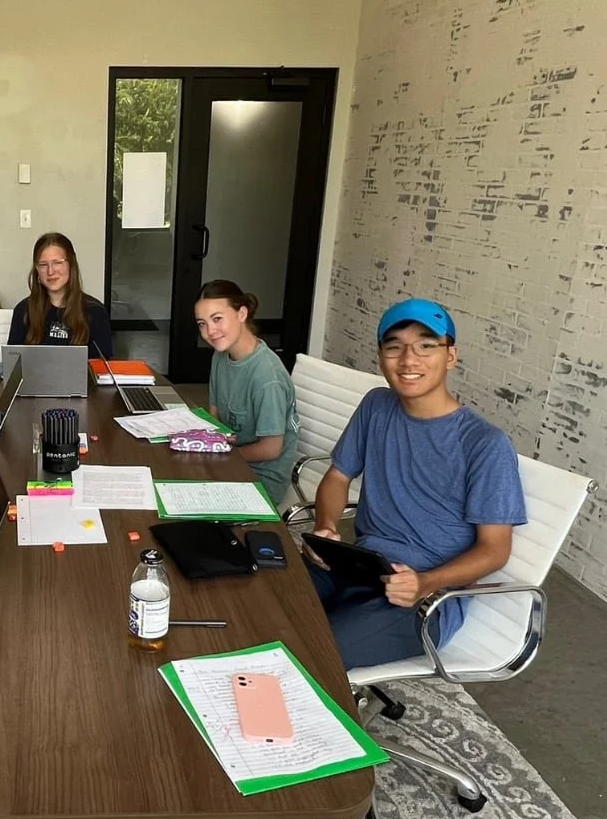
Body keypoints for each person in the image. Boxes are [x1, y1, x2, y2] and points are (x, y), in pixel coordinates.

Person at [306, 298, 527, 670]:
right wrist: (325, 528)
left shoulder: (485, 444)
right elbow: (337, 477)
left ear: (450, 356)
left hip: (427, 599)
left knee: (312, 654)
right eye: (394, 347)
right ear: (381, 357)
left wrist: (426, 581)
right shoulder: (376, 405)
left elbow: (494, 550)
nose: (409, 360)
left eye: (426, 345)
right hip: (360, 565)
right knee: (261, 604)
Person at [194, 280, 300, 505]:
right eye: (202, 323)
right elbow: (215, 416)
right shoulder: (221, 354)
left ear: (242, 313)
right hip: (226, 458)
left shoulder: (267, 377)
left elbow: (271, 449)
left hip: (260, 477)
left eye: (217, 319)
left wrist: (222, 455)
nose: (210, 332)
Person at [7, 231, 114, 358]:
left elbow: (103, 368)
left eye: (57, 263)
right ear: (37, 270)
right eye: (43, 265)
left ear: (71, 265)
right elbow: (13, 365)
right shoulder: (23, 310)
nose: (50, 271)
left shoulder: (95, 312)